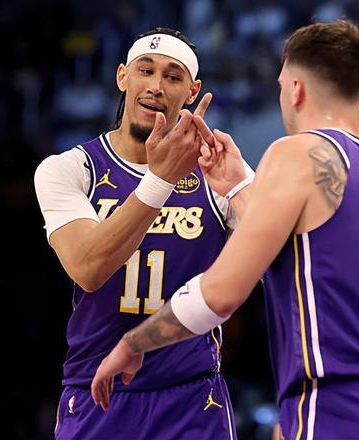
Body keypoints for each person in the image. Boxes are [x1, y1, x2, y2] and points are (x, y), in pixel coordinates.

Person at [91, 20, 359, 439]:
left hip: (336, 407)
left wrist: (133, 343)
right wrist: (239, 186)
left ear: (295, 90)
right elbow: (306, 248)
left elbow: (220, 293)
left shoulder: (299, 151)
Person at [34, 27, 252, 440]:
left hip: (193, 397)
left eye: (172, 76)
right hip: (97, 393)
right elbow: (88, 268)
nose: (156, 86)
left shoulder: (215, 171)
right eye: (145, 71)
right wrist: (160, 180)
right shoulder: (70, 168)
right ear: (122, 76)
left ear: (192, 91)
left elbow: (278, 255)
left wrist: (241, 186)